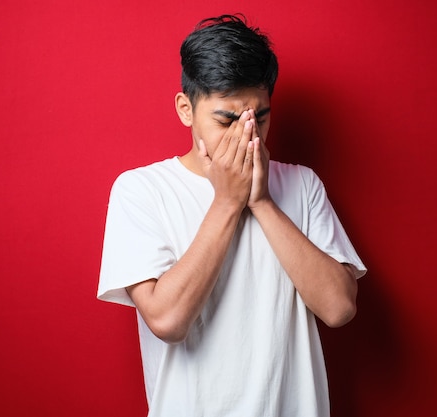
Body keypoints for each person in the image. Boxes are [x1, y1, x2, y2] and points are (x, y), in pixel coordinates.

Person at [97, 14, 366, 417]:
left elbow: (339, 308)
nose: (248, 136)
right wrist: (227, 201)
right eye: (226, 120)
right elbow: (167, 320)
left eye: (260, 118)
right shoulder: (141, 191)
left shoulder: (303, 185)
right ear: (186, 109)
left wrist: (261, 202)